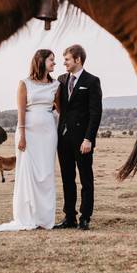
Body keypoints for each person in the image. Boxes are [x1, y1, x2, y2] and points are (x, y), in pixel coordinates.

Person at [0, 49, 60, 233]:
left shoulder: (56, 85)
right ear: (41, 61)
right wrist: (23, 135)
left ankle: (45, 218)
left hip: (48, 134)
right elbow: (21, 112)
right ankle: (28, 215)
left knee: (46, 173)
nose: (54, 64)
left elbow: (59, 110)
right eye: (51, 60)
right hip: (29, 134)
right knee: (29, 172)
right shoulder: (24, 83)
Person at [54, 45, 102, 231]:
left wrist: (88, 139)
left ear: (77, 60)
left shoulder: (92, 81)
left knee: (85, 178)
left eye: (66, 59)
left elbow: (95, 113)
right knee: (67, 178)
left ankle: (85, 217)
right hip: (63, 139)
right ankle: (69, 217)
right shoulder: (61, 80)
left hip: (83, 140)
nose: (63, 62)